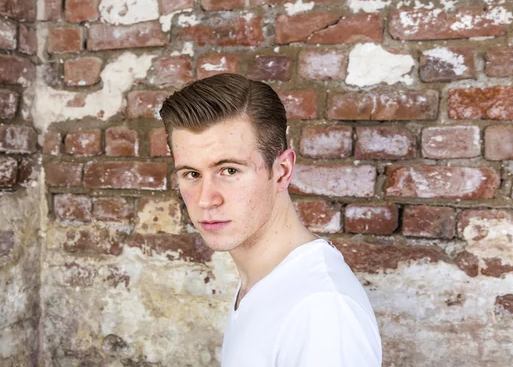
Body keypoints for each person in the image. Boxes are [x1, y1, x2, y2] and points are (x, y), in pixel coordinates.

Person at [159, 73, 382, 366]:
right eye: (192, 174)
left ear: (282, 171)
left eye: (229, 171)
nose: (205, 199)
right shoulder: (264, 281)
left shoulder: (322, 311)